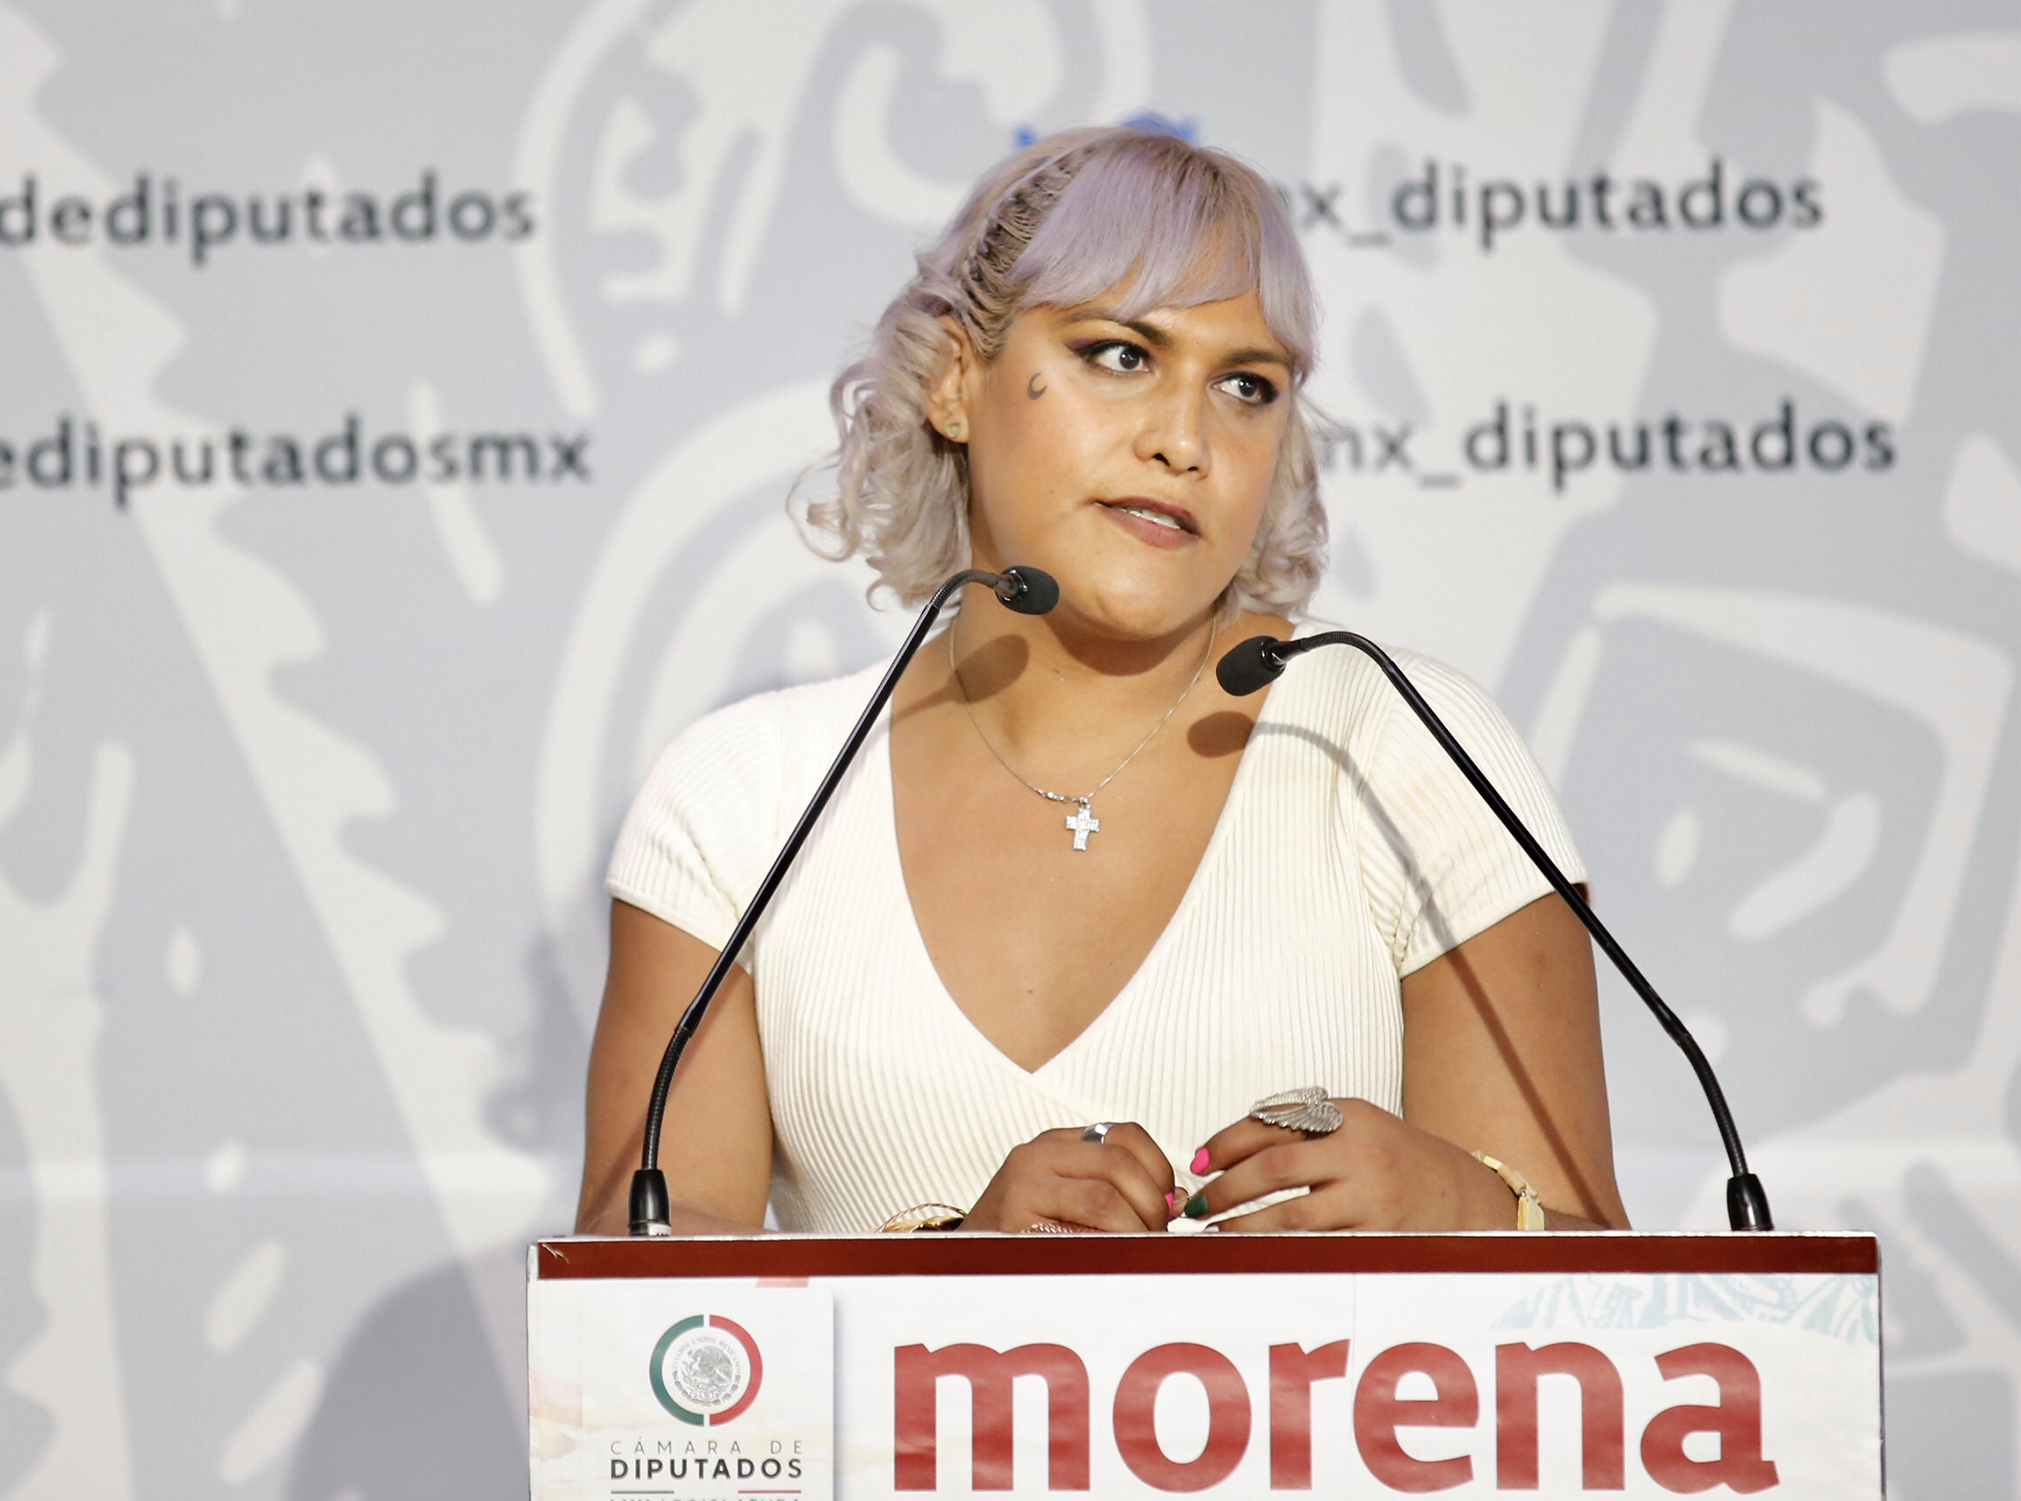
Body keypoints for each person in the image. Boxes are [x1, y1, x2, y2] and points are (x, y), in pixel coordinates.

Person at [574, 126, 1628, 1237]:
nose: (1184, 439)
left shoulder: (1411, 750)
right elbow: (643, 1317)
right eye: (1121, 355)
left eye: (1246, 386)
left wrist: (1465, 1211)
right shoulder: (743, 800)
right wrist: (951, 1272)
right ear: (953, 379)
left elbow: (1617, 1294)